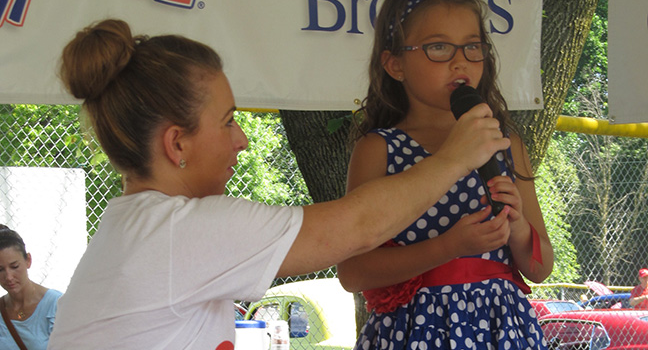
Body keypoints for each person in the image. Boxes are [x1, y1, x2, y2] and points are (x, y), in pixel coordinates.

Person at [47, 18, 509, 349]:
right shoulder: (177, 231)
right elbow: (357, 228)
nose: (242, 141)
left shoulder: (139, 227)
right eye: (228, 123)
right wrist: (454, 158)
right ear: (177, 145)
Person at [336, 0, 554, 349]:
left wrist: (518, 229)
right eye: (439, 48)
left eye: (472, 47)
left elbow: (540, 268)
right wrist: (447, 247)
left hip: (502, 329)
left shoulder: (505, 143)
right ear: (395, 64)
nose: (460, 62)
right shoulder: (379, 149)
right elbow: (354, 273)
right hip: (415, 331)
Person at [0, 225, 63, 350]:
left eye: (14, 266)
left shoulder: (56, 304)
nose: (9, 277)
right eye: (0, 269)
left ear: (28, 260)